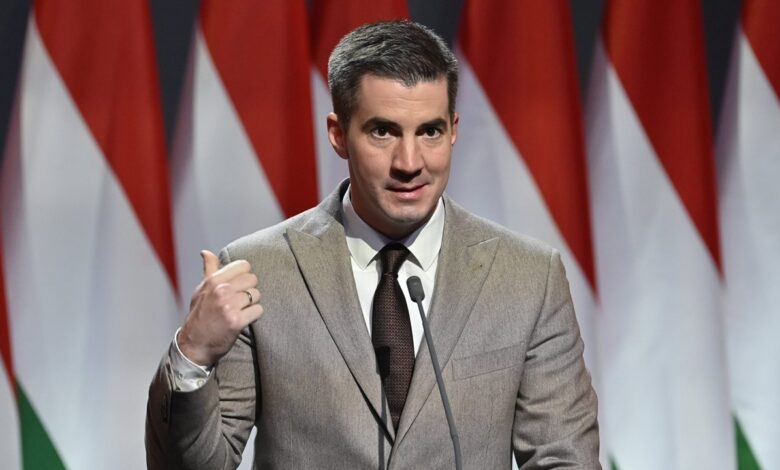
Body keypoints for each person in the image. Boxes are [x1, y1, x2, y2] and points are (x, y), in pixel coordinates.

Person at [146, 20, 599, 469]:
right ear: (338, 134)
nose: (409, 162)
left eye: (430, 131)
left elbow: (565, 460)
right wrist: (192, 353)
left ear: (453, 129)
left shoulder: (528, 277)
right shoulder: (260, 271)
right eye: (383, 131)